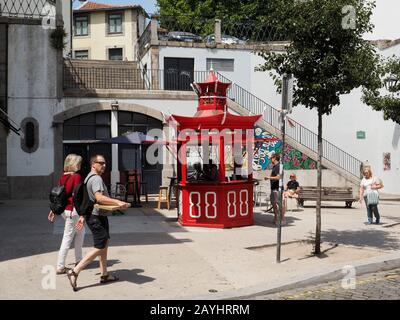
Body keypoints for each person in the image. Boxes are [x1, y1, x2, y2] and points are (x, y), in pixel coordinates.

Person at [66, 154, 130, 291]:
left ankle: (104, 274)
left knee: (104, 243)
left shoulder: (88, 177)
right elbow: (99, 198)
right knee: (100, 246)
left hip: (96, 216)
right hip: (96, 217)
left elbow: (91, 199)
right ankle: (75, 271)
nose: (104, 166)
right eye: (101, 163)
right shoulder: (96, 179)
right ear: (93, 164)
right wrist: (118, 201)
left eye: (105, 163)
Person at [48, 154, 85, 275]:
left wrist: (53, 210)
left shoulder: (63, 177)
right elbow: (78, 196)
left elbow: (58, 196)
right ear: (74, 164)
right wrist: (82, 213)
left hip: (65, 211)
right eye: (79, 163)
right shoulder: (77, 176)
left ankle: (79, 259)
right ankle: (60, 266)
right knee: (68, 237)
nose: (80, 165)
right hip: (73, 211)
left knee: (80, 232)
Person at [264, 153, 285, 225]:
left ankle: (282, 219)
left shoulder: (278, 166)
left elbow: (278, 177)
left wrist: (268, 178)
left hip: (277, 188)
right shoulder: (275, 166)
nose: (270, 159)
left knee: (279, 203)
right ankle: (276, 217)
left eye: (271, 158)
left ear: (275, 158)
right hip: (273, 188)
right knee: (273, 203)